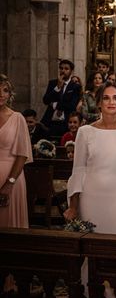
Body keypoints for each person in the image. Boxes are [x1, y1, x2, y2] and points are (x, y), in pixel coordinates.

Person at [64, 81, 116, 235]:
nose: (111, 102)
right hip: (90, 198)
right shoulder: (85, 132)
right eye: (106, 98)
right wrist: (73, 206)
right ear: (99, 103)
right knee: (92, 246)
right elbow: (78, 171)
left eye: (115, 98)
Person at [0, 75, 33, 228]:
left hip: (11, 177)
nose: (1, 94)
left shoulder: (17, 118)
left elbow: (22, 155)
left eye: (5, 90)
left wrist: (9, 183)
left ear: (9, 95)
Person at [41, 59, 82, 139]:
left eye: (66, 69)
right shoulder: (53, 83)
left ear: (71, 71)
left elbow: (72, 105)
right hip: (51, 121)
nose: (63, 71)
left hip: (66, 122)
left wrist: (54, 104)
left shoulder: (75, 86)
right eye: (61, 68)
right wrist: (57, 88)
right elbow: (45, 100)